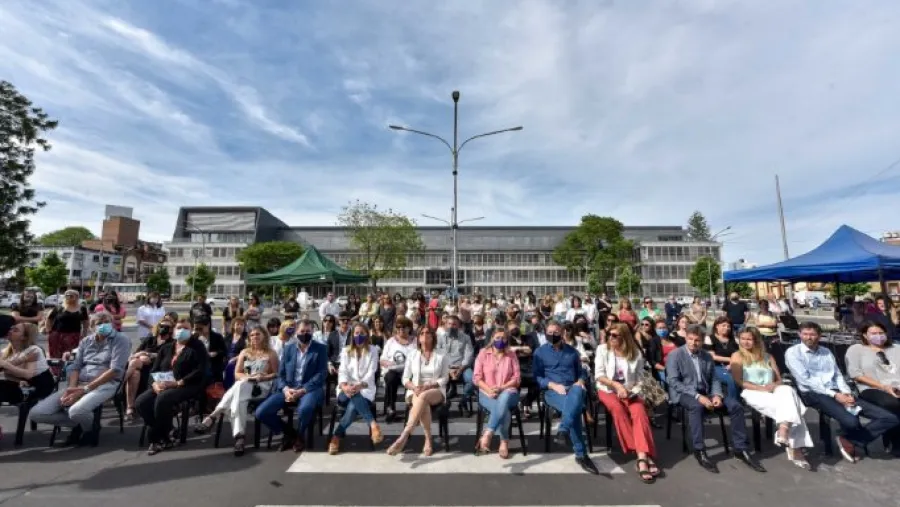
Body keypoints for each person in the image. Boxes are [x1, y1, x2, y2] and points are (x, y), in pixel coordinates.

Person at [786, 321, 899, 463]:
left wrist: (846, 392)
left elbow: (837, 375)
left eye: (813, 334)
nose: (809, 337)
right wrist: (835, 395)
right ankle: (853, 440)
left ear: (819, 336)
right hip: (812, 393)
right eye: (805, 334)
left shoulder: (826, 352)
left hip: (837, 390)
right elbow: (806, 380)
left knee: (890, 418)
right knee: (851, 422)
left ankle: (850, 440)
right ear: (799, 334)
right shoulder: (793, 353)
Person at [666, 324, 765, 473]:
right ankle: (699, 450)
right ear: (686, 338)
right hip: (685, 393)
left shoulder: (706, 355)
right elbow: (673, 381)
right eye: (690, 339)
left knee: (736, 406)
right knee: (697, 407)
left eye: (697, 340)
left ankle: (740, 448)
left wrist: (717, 395)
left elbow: (714, 379)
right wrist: (698, 396)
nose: (693, 343)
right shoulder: (675, 355)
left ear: (702, 341)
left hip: (707, 391)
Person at [29, 311, 130, 446]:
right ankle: (81, 424)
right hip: (79, 383)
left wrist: (84, 390)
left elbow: (115, 370)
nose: (104, 325)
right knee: (36, 413)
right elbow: (75, 366)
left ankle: (88, 429)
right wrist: (72, 389)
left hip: (105, 384)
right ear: (91, 327)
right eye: (99, 323)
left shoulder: (120, 340)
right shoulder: (86, 341)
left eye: (107, 322)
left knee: (77, 410)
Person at [731, 327, 813, 469]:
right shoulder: (737, 356)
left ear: (756, 340)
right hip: (752, 391)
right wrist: (761, 388)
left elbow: (779, 379)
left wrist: (773, 385)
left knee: (787, 389)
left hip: (772, 389)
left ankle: (783, 429)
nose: (745, 342)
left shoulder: (768, 356)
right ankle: (795, 448)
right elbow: (739, 381)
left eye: (749, 339)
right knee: (793, 407)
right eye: (743, 339)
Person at [195, 326, 279, 456]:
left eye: (258, 334)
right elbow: (237, 374)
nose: (254, 337)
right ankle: (239, 436)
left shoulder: (271, 353)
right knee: (240, 393)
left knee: (239, 388)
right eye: (252, 335)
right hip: (245, 384)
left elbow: (275, 374)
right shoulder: (245, 352)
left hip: (261, 386)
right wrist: (247, 377)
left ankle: (213, 416)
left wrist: (262, 377)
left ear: (264, 336)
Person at [594, 323, 659, 482]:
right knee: (618, 410)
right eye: (610, 334)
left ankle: (641, 456)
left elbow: (640, 379)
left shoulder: (635, 353)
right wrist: (616, 385)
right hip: (607, 389)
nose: (611, 337)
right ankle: (642, 455)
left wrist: (630, 390)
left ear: (625, 337)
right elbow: (599, 376)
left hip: (629, 391)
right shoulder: (602, 350)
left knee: (639, 411)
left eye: (615, 335)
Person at [533, 321, 599, 474]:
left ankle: (563, 430)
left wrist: (581, 380)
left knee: (575, 393)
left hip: (573, 387)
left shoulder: (572, 352)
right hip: (553, 390)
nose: (552, 335)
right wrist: (552, 385)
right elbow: (537, 377)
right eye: (549, 332)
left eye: (556, 332)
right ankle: (581, 454)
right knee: (573, 410)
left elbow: (581, 372)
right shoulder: (540, 352)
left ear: (562, 333)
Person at [136, 319, 209, 455]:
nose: (182, 330)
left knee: (163, 399)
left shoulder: (197, 347)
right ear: (174, 330)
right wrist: (154, 384)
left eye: (186, 328)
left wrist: (178, 383)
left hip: (187, 385)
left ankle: (156, 439)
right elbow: (154, 370)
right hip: (163, 384)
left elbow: (200, 370)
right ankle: (168, 430)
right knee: (141, 402)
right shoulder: (166, 347)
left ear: (191, 330)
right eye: (179, 327)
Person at [255, 319, 328, 453]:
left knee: (305, 409)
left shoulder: (320, 349)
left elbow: (321, 374)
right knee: (262, 412)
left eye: (308, 331)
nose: (305, 334)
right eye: (302, 331)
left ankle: (300, 436)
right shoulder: (288, 349)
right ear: (295, 333)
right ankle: (290, 434)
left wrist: (303, 390)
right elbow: (280, 373)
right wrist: (286, 389)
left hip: (309, 389)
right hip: (288, 388)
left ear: (312, 332)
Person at [387, 326, 449, 456]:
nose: (425, 335)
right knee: (422, 400)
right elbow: (405, 378)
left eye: (428, 333)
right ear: (418, 337)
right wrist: (414, 387)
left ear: (433, 337)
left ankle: (404, 435)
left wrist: (430, 385)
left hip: (435, 390)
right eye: (422, 333)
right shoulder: (412, 355)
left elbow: (445, 377)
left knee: (424, 395)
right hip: (415, 390)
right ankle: (428, 439)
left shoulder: (441, 355)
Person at [844, 320, 900, 457]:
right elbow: (856, 374)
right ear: (865, 335)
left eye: (881, 333)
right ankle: (894, 442)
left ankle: (892, 442)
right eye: (874, 333)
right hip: (871, 388)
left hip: (897, 385)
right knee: (893, 403)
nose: (878, 336)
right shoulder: (856, 349)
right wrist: (884, 387)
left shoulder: (896, 349)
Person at [328, 323, 384, 454]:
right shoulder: (346, 350)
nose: (359, 336)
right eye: (357, 333)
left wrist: (360, 385)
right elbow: (342, 371)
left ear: (367, 335)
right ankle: (373, 424)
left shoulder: (373, 350)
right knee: (353, 399)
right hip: (345, 389)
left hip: (365, 388)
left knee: (353, 406)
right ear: (353, 335)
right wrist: (345, 386)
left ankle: (336, 436)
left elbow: (372, 372)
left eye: (362, 333)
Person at [473, 328, 521, 459]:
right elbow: (476, 377)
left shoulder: (511, 354)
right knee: (502, 409)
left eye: (504, 338)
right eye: (498, 337)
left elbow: (517, 378)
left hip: (508, 391)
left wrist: (502, 388)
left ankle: (488, 433)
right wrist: (489, 390)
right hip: (487, 392)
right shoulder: (483, 353)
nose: (501, 340)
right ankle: (504, 441)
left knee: (504, 398)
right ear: (492, 338)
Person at [124, 317, 175, 421]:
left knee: (134, 365)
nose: (163, 328)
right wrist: (140, 354)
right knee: (134, 373)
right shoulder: (150, 339)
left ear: (171, 329)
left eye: (167, 327)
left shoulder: (172, 342)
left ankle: (119, 382)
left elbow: (169, 357)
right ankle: (130, 407)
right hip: (140, 366)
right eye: (161, 326)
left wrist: (149, 355)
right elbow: (135, 353)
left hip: (155, 368)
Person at [0, 322, 55, 406]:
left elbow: (28, 374)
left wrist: (6, 364)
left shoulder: (34, 350)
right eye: (11, 328)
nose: (10, 331)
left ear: (24, 337)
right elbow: (7, 374)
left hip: (39, 385)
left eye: (15, 330)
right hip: (20, 385)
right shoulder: (5, 352)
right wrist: (17, 380)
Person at [380, 316, 417, 422]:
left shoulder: (415, 341)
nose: (401, 329)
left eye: (404, 327)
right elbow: (382, 358)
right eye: (398, 327)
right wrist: (387, 363)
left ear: (409, 328)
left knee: (412, 380)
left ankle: (411, 408)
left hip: (410, 371)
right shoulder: (391, 341)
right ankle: (390, 408)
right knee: (390, 379)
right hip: (394, 370)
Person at [436, 315, 475, 405]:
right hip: (445, 367)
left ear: (459, 326)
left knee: (472, 380)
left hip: (462, 366)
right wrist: (449, 370)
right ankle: (443, 403)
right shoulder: (440, 338)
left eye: (454, 324)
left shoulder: (466, 337)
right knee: (435, 378)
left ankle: (463, 402)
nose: (451, 326)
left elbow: (468, 355)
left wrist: (460, 369)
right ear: (445, 325)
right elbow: (438, 355)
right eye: (449, 324)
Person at [44, 290, 89, 366]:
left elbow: (85, 322)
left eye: (71, 295)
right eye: (67, 295)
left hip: (74, 335)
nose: (69, 297)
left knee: (72, 355)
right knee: (55, 355)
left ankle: (69, 371)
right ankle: (56, 373)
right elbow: (49, 319)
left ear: (77, 297)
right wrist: (49, 331)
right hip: (57, 335)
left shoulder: (82, 308)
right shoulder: (59, 307)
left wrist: (84, 333)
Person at [704, 316, 739, 401]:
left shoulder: (734, 340)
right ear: (717, 326)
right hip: (716, 366)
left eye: (728, 326)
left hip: (734, 365)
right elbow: (712, 356)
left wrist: (732, 364)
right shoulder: (709, 338)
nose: (726, 328)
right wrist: (730, 360)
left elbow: (739, 354)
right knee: (732, 380)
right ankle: (733, 403)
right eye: (723, 325)